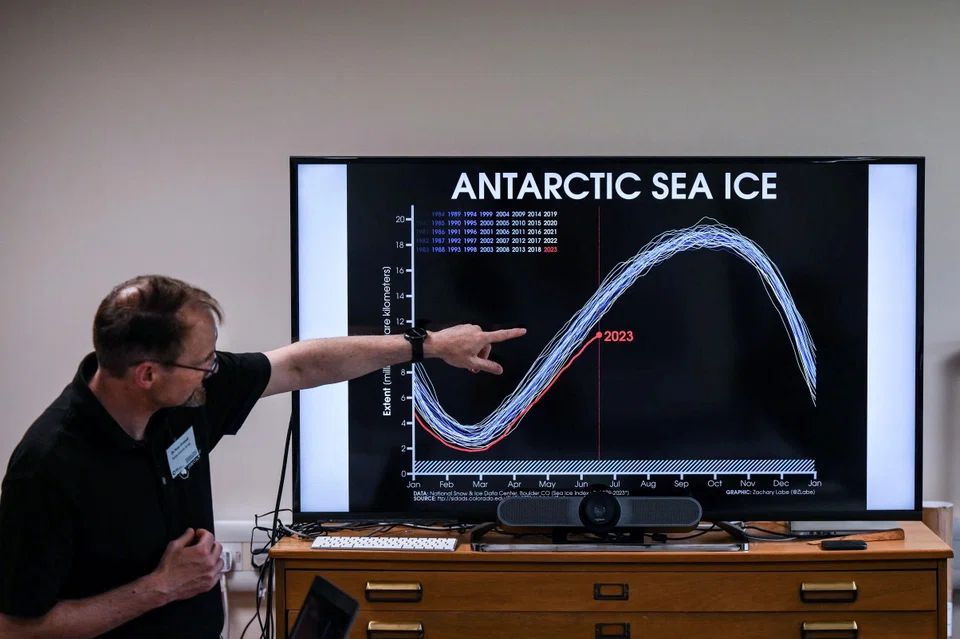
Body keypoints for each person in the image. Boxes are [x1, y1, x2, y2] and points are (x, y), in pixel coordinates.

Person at [0, 274, 525, 638]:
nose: (214, 372)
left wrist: (426, 347)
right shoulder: (48, 468)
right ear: (147, 375)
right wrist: (157, 589)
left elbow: (299, 367)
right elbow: (17, 626)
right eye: (203, 363)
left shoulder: (184, 395)